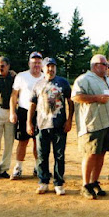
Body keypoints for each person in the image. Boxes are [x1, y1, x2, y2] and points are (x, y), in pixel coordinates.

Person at [71, 54, 109, 199]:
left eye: (107, 65)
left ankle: (94, 182)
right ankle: (85, 185)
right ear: (95, 65)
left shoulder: (108, 79)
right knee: (90, 154)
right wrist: (96, 98)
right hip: (93, 124)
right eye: (104, 64)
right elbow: (76, 97)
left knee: (101, 153)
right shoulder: (84, 79)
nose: (107, 67)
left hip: (108, 123)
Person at [27, 57, 74, 196]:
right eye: (48, 66)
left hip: (59, 125)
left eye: (53, 66)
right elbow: (32, 104)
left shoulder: (63, 83)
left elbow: (71, 103)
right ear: (43, 68)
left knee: (59, 155)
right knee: (42, 155)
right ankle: (43, 182)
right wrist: (29, 122)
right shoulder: (37, 84)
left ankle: (59, 183)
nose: (51, 69)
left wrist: (69, 120)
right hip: (42, 125)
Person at [9, 51, 43, 180]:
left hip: (40, 113)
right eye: (34, 62)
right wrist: (13, 112)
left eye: (39, 63)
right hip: (24, 111)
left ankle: (38, 167)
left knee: (38, 142)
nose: (36, 65)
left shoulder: (45, 77)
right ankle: (18, 168)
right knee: (23, 141)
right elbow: (14, 95)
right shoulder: (21, 76)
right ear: (29, 63)